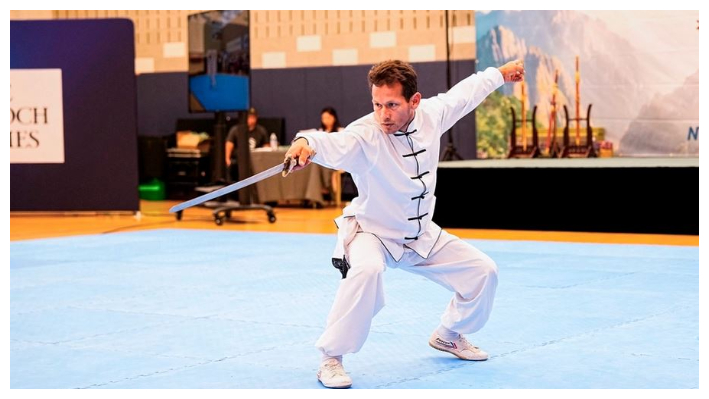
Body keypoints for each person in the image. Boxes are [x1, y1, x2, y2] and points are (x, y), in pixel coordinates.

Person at [285, 59, 525, 389]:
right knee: (368, 270)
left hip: (420, 234)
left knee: (484, 271)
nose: (383, 114)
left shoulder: (433, 114)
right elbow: (332, 142)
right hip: (373, 232)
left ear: (414, 101)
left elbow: (467, 93)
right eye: (377, 104)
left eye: (392, 105)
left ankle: (449, 335)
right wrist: (306, 144)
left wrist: (499, 74)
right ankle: (331, 357)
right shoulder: (365, 135)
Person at [225, 107, 269, 182]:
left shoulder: (261, 131)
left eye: (253, 117)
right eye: (249, 117)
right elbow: (229, 144)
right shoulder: (236, 130)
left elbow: (267, 147)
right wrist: (228, 160)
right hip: (238, 162)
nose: (251, 120)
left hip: (255, 162)